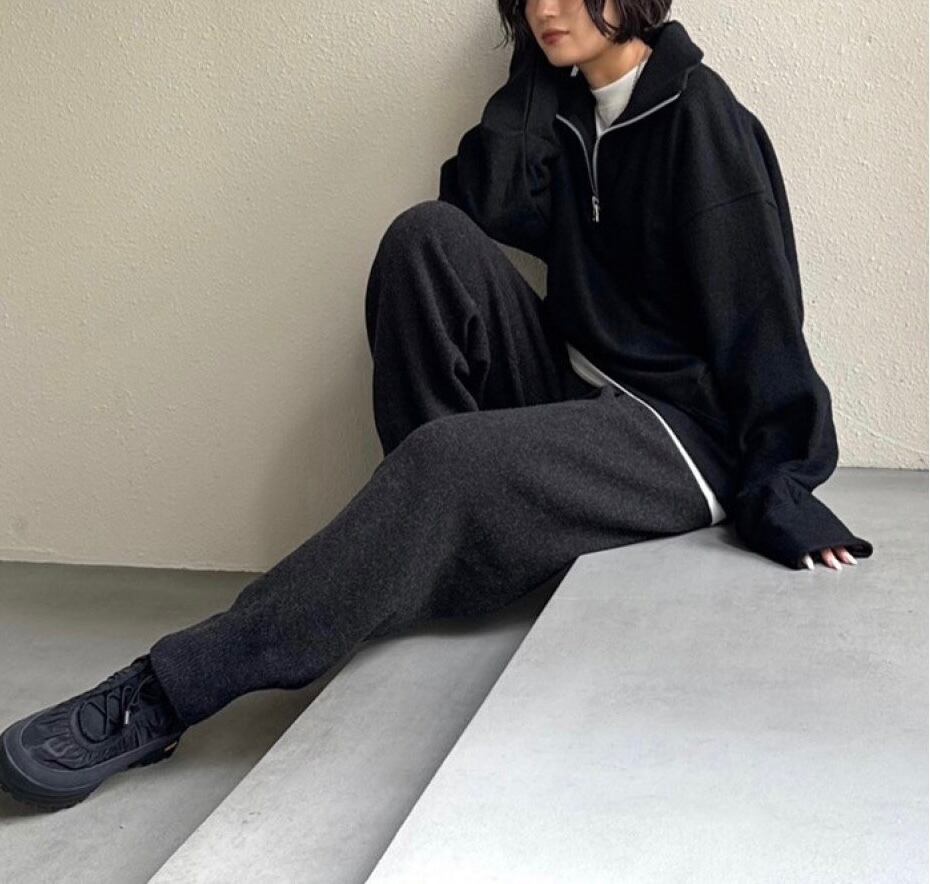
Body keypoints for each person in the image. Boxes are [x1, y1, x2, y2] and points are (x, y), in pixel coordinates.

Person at [0, 1, 873, 812]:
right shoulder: (568, 109)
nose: (544, 8)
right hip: (574, 386)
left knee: (445, 459)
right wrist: (535, 78)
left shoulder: (699, 115)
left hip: (679, 431)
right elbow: (482, 203)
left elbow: (762, 316)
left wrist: (783, 487)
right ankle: (425, 542)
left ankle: (168, 692)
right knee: (425, 238)